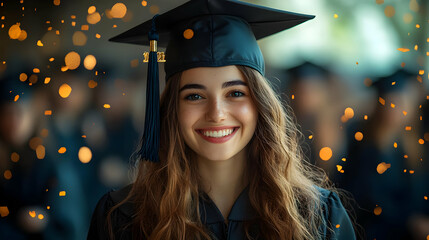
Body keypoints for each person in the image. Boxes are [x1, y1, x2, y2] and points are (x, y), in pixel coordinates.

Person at [88, 0, 356, 239]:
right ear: (171, 110)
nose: (216, 113)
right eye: (194, 96)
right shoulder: (124, 219)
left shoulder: (317, 217)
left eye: (235, 93)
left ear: (261, 103)